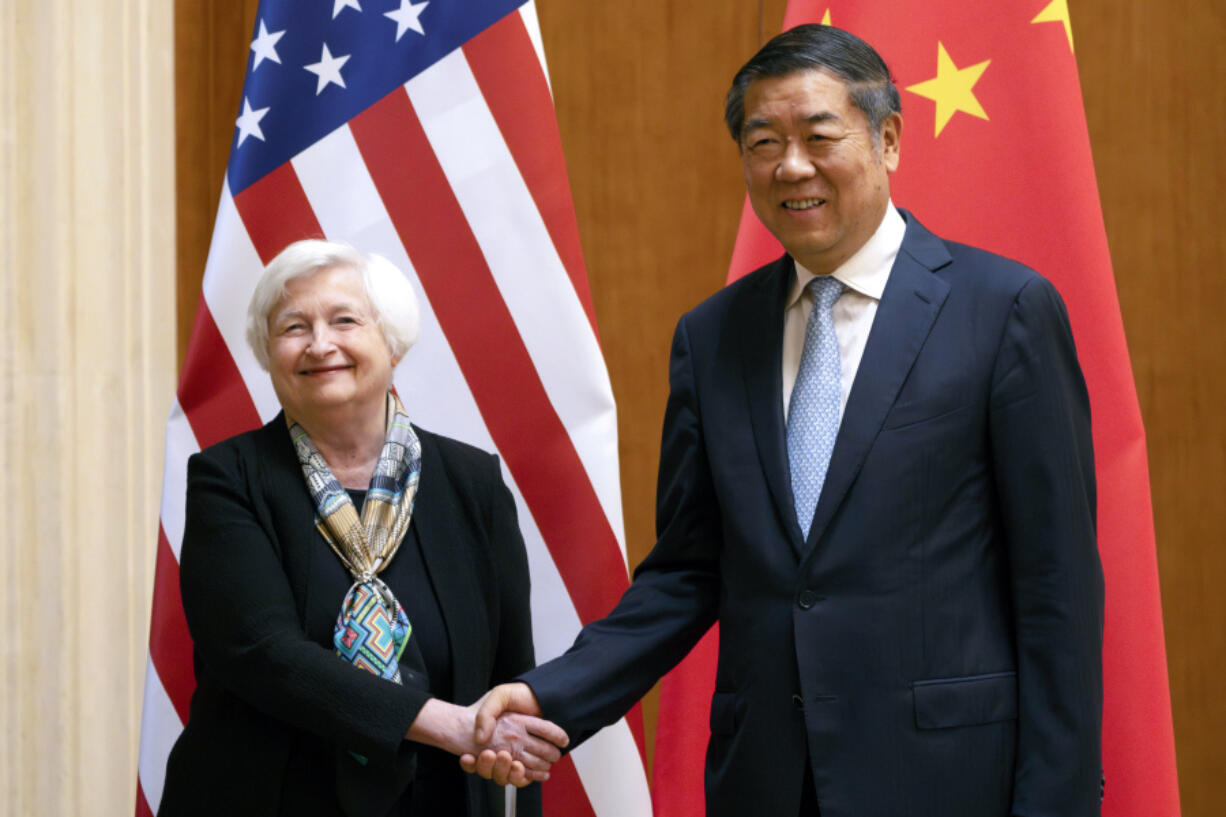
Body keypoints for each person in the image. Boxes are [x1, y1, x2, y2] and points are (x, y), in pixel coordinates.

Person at [466, 24, 1104, 817]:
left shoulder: (1002, 310)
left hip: (948, 776)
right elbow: (688, 570)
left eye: (818, 135)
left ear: (889, 139)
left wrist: (1058, 801)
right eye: (763, 141)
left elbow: (1057, 586)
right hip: (766, 779)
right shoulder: (712, 336)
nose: (791, 166)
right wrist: (546, 694)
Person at [159, 239, 567, 817]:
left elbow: (510, 680)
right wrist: (448, 725)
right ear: (270, 353)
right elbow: (264, 654)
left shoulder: (472, 483)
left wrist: (514, 768)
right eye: (293, 327)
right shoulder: (228, 479)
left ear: (392, 342)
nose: (320, 344)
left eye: (344, 320)